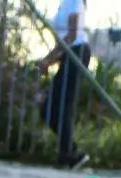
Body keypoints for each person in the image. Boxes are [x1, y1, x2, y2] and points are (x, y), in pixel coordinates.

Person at [43, 0, 90, 168]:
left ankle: (67, 155)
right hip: (68, 54)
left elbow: (72, 35)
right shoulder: (64, 3)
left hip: (78, 52)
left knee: (63, 104)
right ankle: (72, 151)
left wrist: (49, 59)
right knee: (48, 109)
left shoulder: (74, 1)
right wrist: (51, 59)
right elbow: (64, 40)